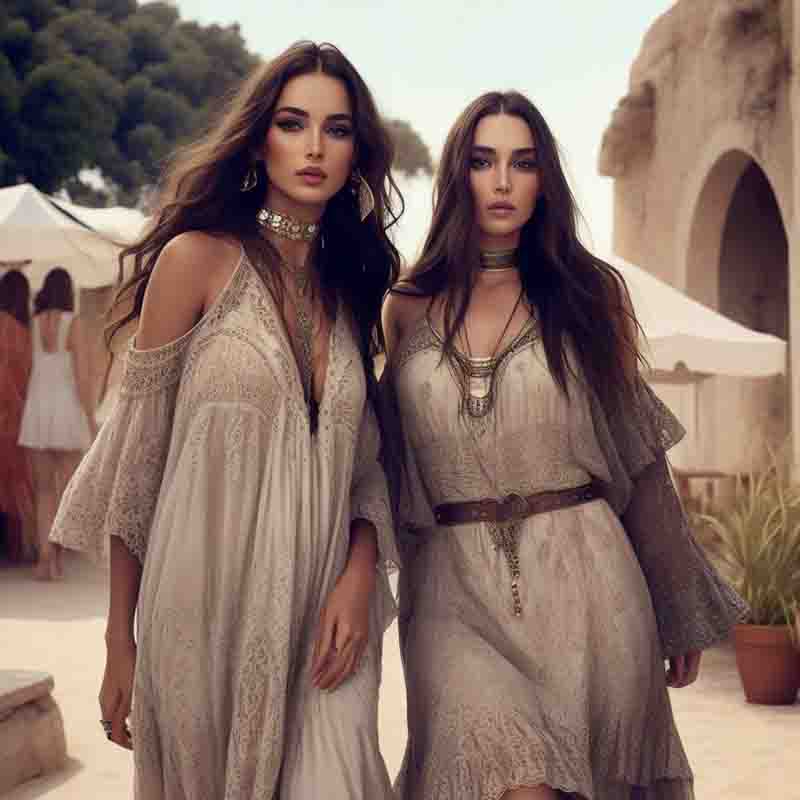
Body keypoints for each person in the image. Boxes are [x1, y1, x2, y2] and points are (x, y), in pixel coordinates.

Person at [50, 41, 401, 799]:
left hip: (322, 620)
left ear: (356, 152)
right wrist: (122, 642)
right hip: (201, 608)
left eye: (336, 130)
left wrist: (360, 572)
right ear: (258, 137)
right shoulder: (195, 261)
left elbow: (367, 467)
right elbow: (138, 463)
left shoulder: (353, 289)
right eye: (293, 123)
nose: (313, 147)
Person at [381, 91, 747, 800]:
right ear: (458, 175)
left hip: (588, 585)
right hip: (449, 593)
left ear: (544, 178)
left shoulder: (587, 295)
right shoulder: (406, 306)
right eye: (483, 162)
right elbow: (380, 460)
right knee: (505, 775)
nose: (501, 181)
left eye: (522, 163)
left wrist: (677, 606)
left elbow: (640, 462)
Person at [18, 267, 95, 579]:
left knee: (43, 492)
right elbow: (81, 375)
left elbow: (27, 370)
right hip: (66, 409)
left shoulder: (33, 325)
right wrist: (89, 416)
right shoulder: (73, 324)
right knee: (67, 489)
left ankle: (44, 559)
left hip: (37, 410)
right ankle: (58, 559)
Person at [0, 269, 34, 562]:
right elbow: (23, 376)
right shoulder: (20, 331)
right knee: (13, 480)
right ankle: (13, 547)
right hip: (12, 414)